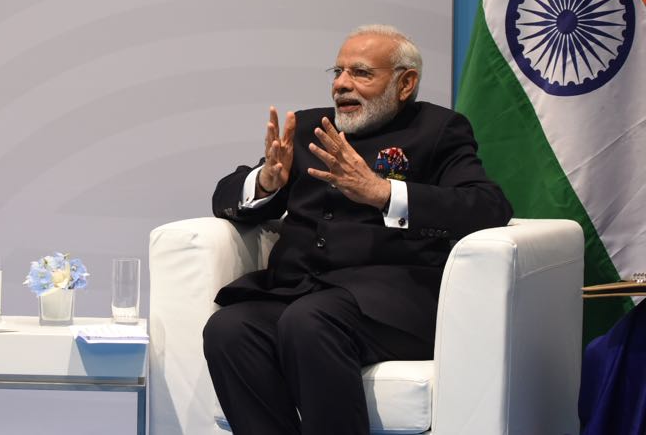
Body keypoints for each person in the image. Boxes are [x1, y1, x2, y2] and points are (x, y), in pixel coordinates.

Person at [203, 24, 512, 435]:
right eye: (338, 73)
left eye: (361, 73)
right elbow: (224, 196)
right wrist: (265, 182)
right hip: (297, 291)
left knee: (309, 322)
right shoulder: (310, 129)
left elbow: (488, 206)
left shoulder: (439, 131)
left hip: (387, 304)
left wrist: (385, 193)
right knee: (229, 328)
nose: (342, 86)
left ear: (405, 83)